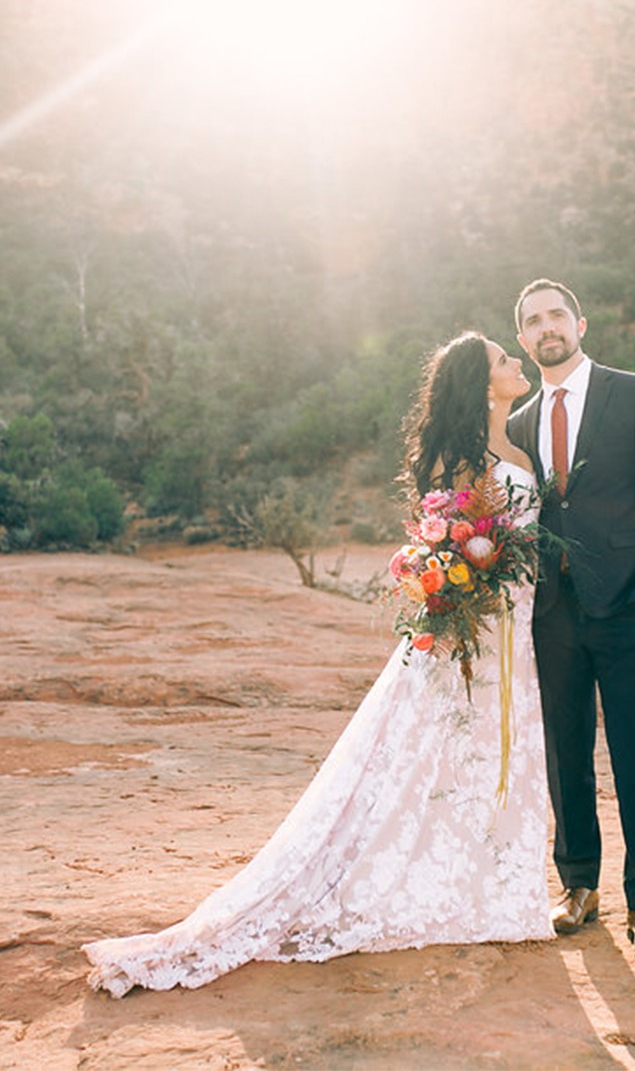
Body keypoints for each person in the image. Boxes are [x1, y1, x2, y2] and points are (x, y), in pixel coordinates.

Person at [82, 332, 553, 997]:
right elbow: (451, 532)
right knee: (444, 749)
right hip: (474, 629)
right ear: (482, 384)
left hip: (520, 628)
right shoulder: (465, 458)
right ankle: (433, 878)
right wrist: (457, 580)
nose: (516, 365)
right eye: (505, 360)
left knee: (490, 752)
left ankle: (493, 874)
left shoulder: (519, 445)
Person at [508, 279, 635, 963]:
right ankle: (578, 887)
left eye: (557, 314)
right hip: (554, 616)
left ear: (579, 322)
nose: (547, 327)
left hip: (632, 609)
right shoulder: (522, 422)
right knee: (566, 755)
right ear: (524, 340)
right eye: (533, 321)